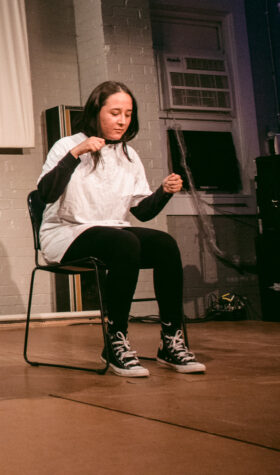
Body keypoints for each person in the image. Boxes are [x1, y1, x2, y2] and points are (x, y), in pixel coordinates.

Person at [36, 80, 205, 377]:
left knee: (164, 244)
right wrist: (76, 154)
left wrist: (164, 192)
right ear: (96, 112)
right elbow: (46, 194)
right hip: (65, 233)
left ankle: (170, 340)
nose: (122, 121)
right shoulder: (66, 145)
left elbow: (142, 212)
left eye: (127, 114)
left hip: (112, 232)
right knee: (124, 243)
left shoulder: (129, 154)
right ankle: (115, 341)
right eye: (115, 113)